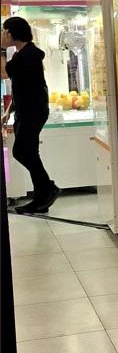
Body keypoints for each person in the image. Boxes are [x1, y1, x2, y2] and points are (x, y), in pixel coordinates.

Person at [1, 16, 59, 214]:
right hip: (26, 110)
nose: (2, 35)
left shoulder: (29, 54)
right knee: (30, 152)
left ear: (11, 33)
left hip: (33, 111)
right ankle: (42, 197)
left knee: (21, 151)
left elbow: (4, 73)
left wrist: (1, 49)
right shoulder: (22, 54)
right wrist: (8, 112)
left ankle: (47, 188)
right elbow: (21, 87)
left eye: (4, 31)